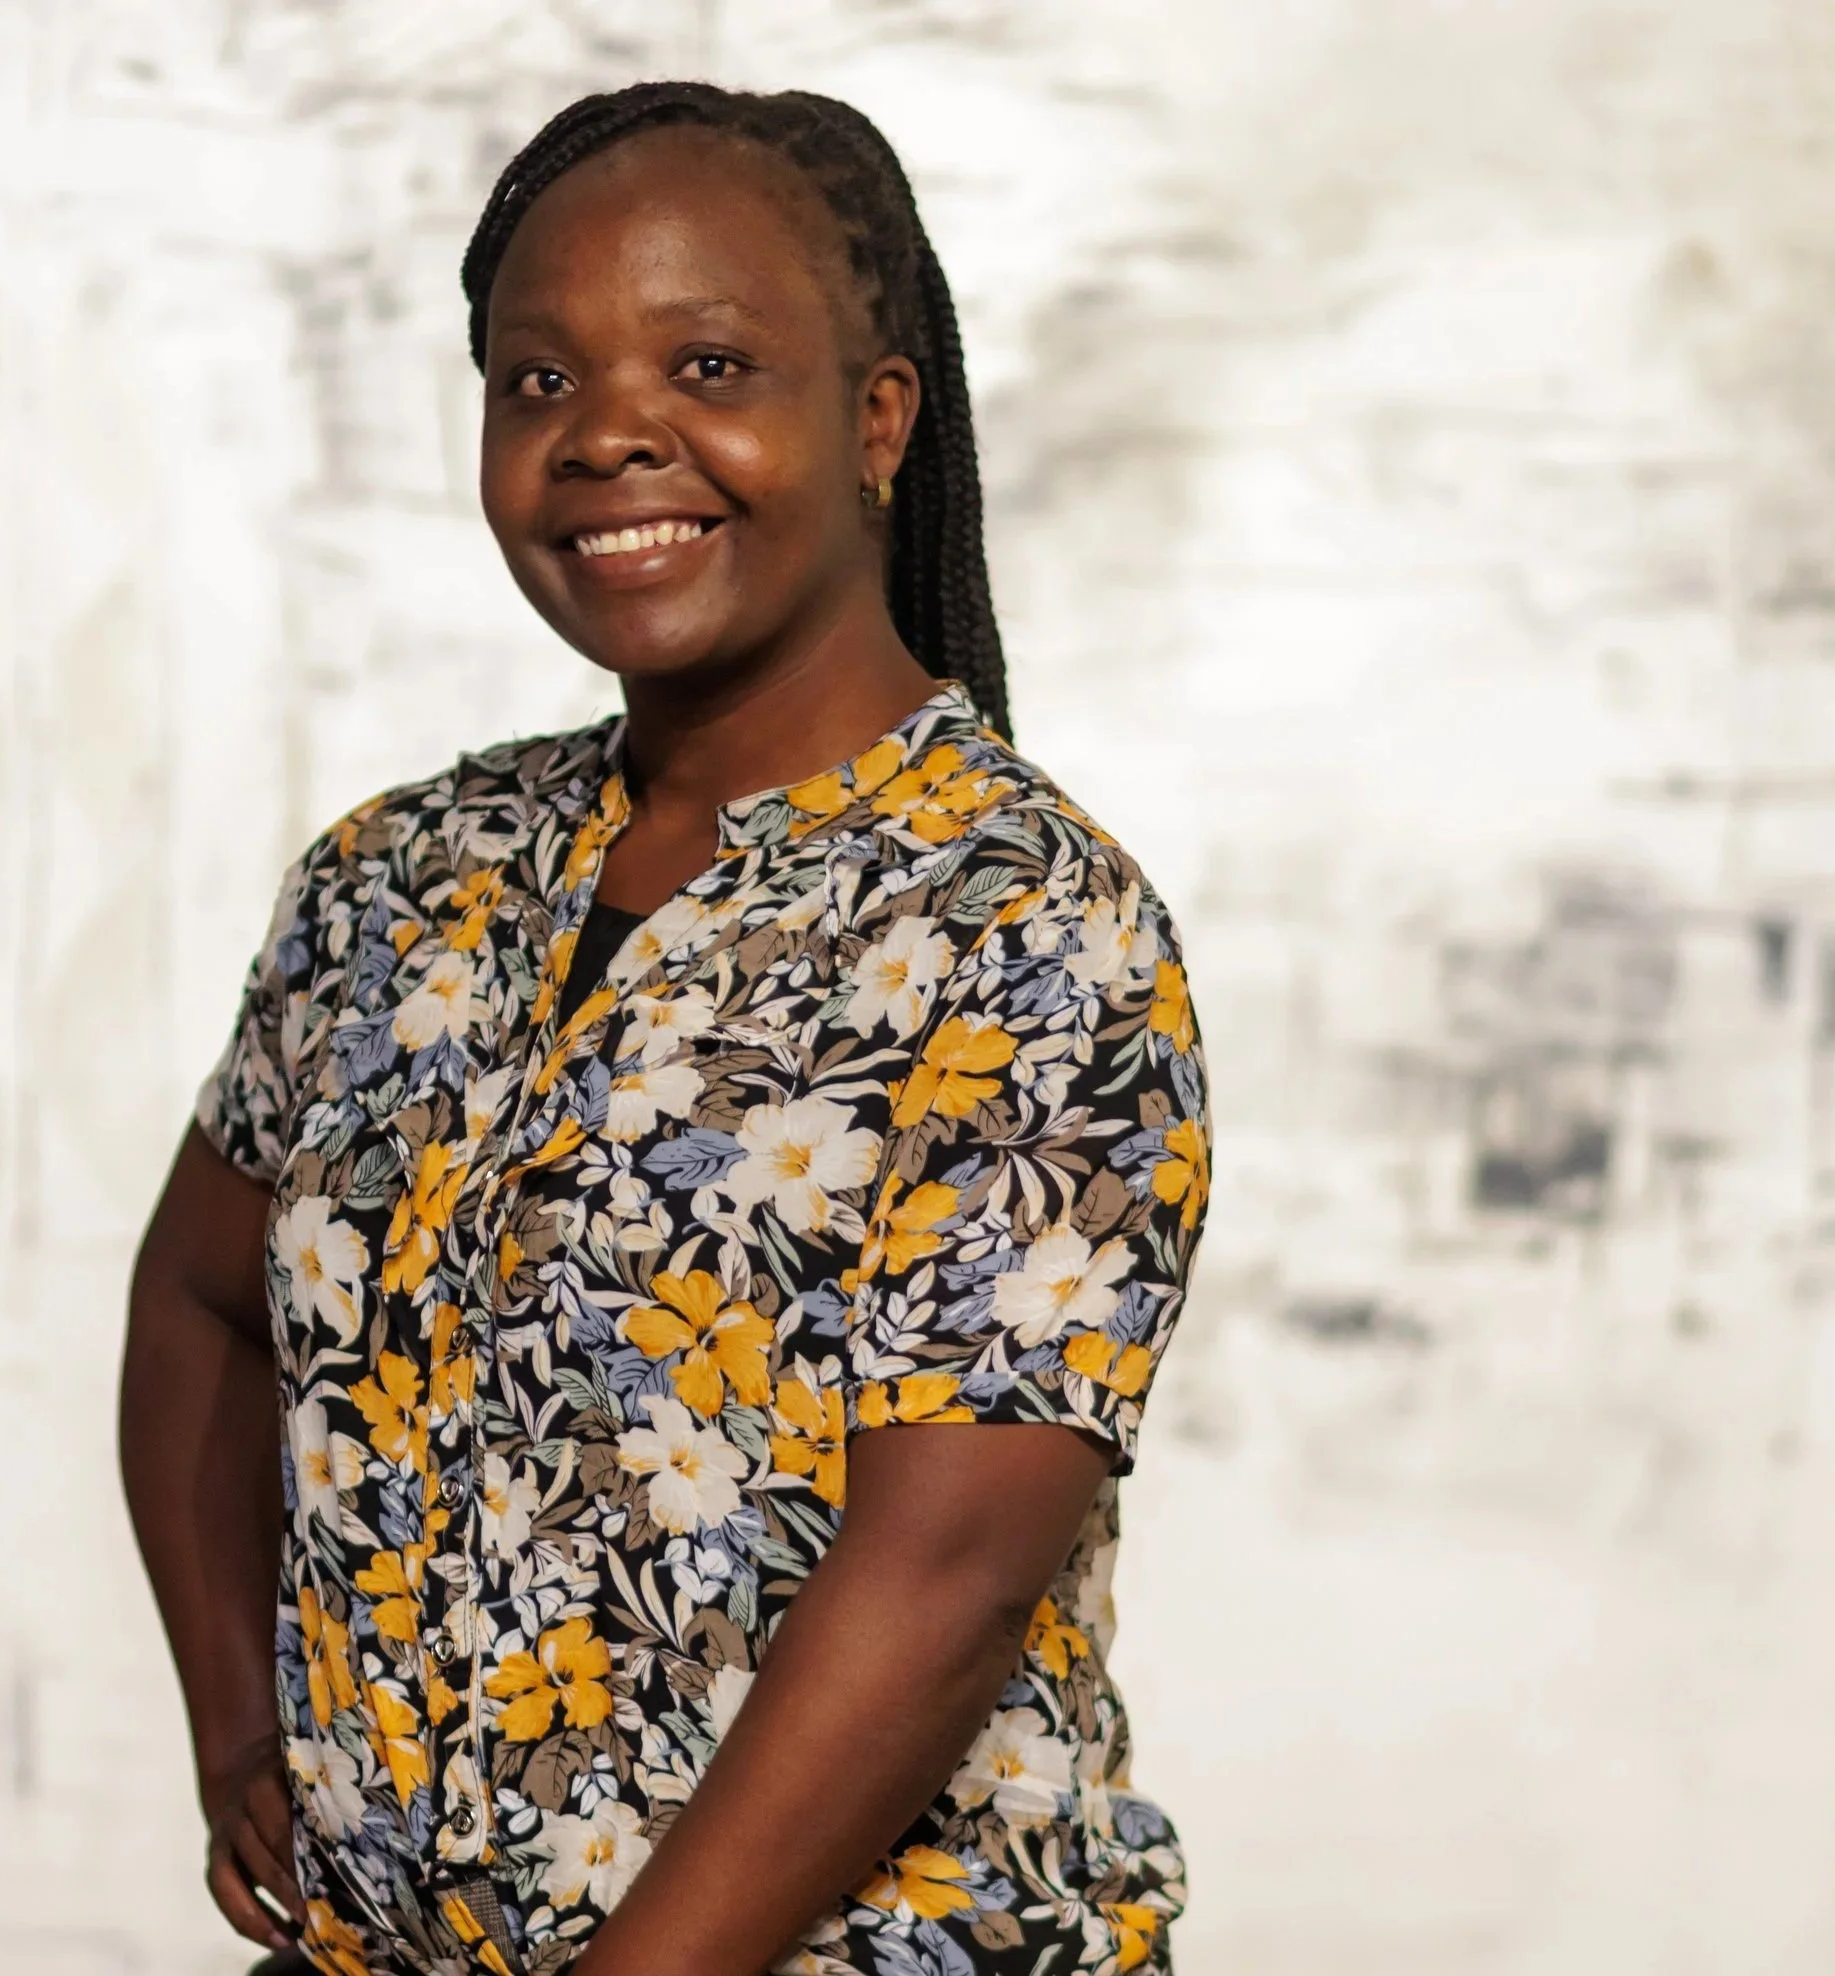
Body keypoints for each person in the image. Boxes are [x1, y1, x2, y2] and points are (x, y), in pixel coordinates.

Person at [121, 81, 1211, 1976]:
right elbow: (201, 1304)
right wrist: (243, 1725)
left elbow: (941, 1575)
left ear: (878, 418)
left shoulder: (1022, 928)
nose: (610, 431)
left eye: (705, 361)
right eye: (536, 383)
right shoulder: (399, 879)